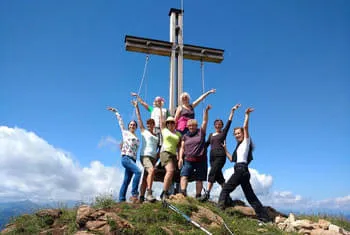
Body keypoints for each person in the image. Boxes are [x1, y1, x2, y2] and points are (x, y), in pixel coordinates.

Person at [217, 107, 270, 222]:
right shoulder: (239, 147)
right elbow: (232, 159)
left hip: (241, 170)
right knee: (250, 196)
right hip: (242, 171)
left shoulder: (246, 142)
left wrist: (246, 115)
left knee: (225, 189)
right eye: (235, 134)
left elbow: (245, 127)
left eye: (238, 133)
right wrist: (225, 149)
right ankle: (264, 217)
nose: (236, 135)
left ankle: (219, 211)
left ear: (243, 133)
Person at [200, 104, 241, 202]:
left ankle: (207, 194)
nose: (218, 126)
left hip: (220, 156)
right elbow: (205, 145)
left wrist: (232, 111)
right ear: (214, 126)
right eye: (216, 124)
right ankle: (227, 197)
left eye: (220, 124)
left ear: (222, 126)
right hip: (212, 157)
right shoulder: (211, 135)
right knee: (219, 178)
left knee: (212, 173)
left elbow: (229, 122)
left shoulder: (223, 133)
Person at [107, 106, 141, 203]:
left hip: (133, 159)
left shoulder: (137, 138)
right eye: (130, 125)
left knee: (126, 180)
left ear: (136, 127)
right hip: (126, 158)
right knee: (138, 172)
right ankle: (134, 194)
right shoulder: (125, 133)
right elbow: (121, 122)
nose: (132, 126)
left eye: (134, 125)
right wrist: (116, 112)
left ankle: (121, 200)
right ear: (128, 126)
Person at [178, 105, 211, 198]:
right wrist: (180, 158)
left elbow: (205, 121)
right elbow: (182, 148)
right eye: (189, 126)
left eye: (193, 125)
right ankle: (183, 193)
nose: (191, 127)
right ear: (187, 127)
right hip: (188, 159)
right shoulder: (185, 136)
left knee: (199, 179)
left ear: (196, 126)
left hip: (201, 160)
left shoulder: (201, 132)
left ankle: (198, 195)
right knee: (184, 175)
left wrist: (206, 111)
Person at [132, 100, 159, 203]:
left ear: (154, 125)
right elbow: (139, 120)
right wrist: (136, 107)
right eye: (148, 124)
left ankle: (141, 197)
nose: (149, 125)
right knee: (151, 171)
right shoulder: (144, 132)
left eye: (151, 124)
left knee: (145, 177)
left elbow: (158, 148)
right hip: (145, 156)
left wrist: (157, 158)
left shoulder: (156, 136)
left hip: (153, 157)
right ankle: (149, 193)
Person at [159, 102, 182, 200]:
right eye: (169, 123)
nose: (170, 124)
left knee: (173, 172)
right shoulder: (164, 130)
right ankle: (164, 193)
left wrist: (180, 157)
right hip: (165, 152)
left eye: (172, 122)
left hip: (173, 154)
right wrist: (160, 108)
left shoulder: (178, 134)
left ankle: (167, 191)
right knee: (170, 170)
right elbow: (161, 120)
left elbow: (180, 146)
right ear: (167, 124)